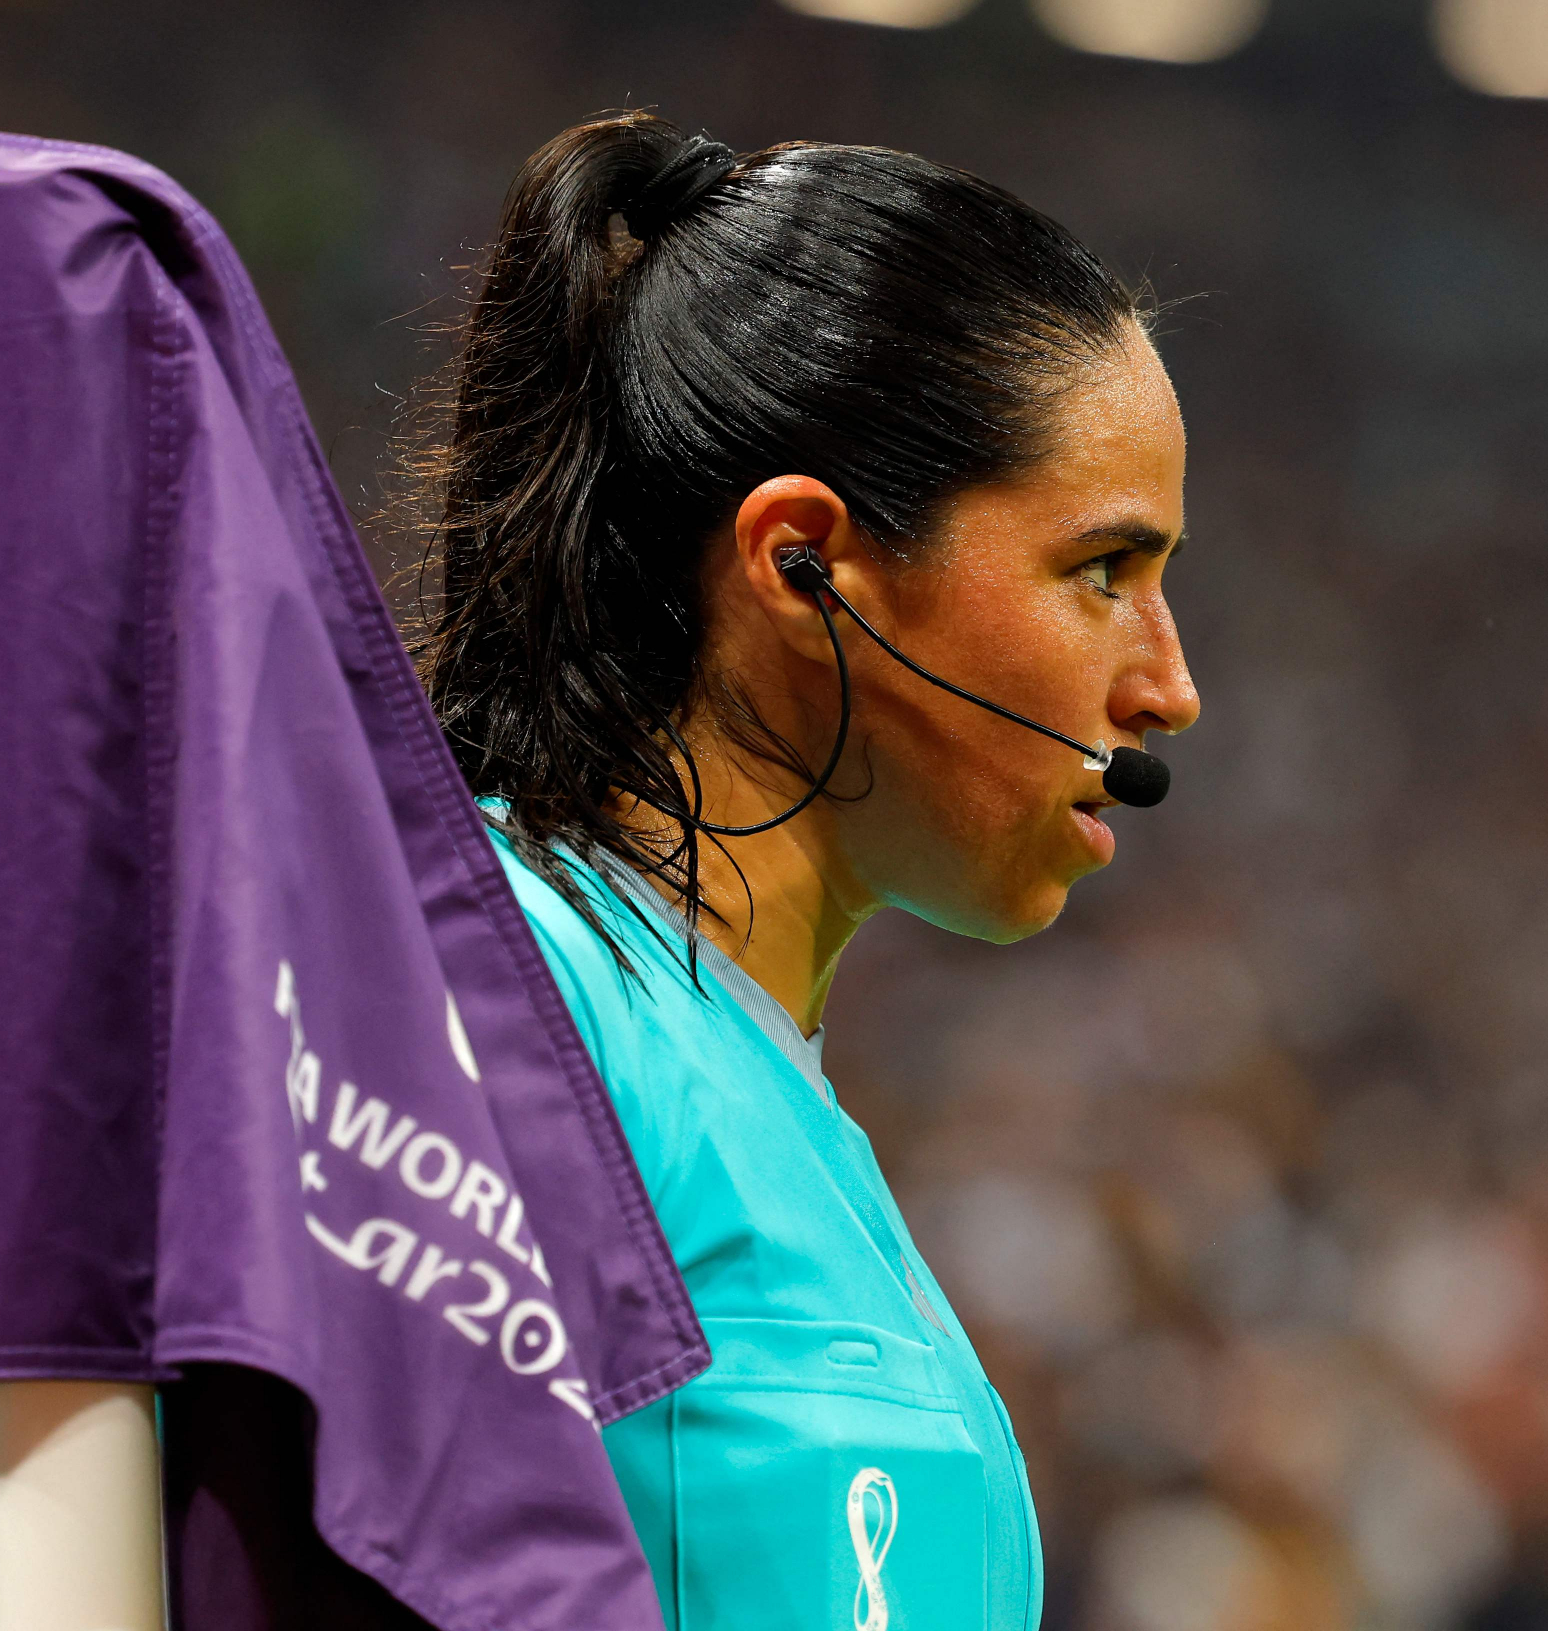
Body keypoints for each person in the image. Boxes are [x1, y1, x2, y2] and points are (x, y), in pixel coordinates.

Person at [407, 109, 1200, 1631]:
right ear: (803, 567)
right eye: (1103, 571)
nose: (1169, 684)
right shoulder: (501, 1007)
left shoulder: (767, 1094)